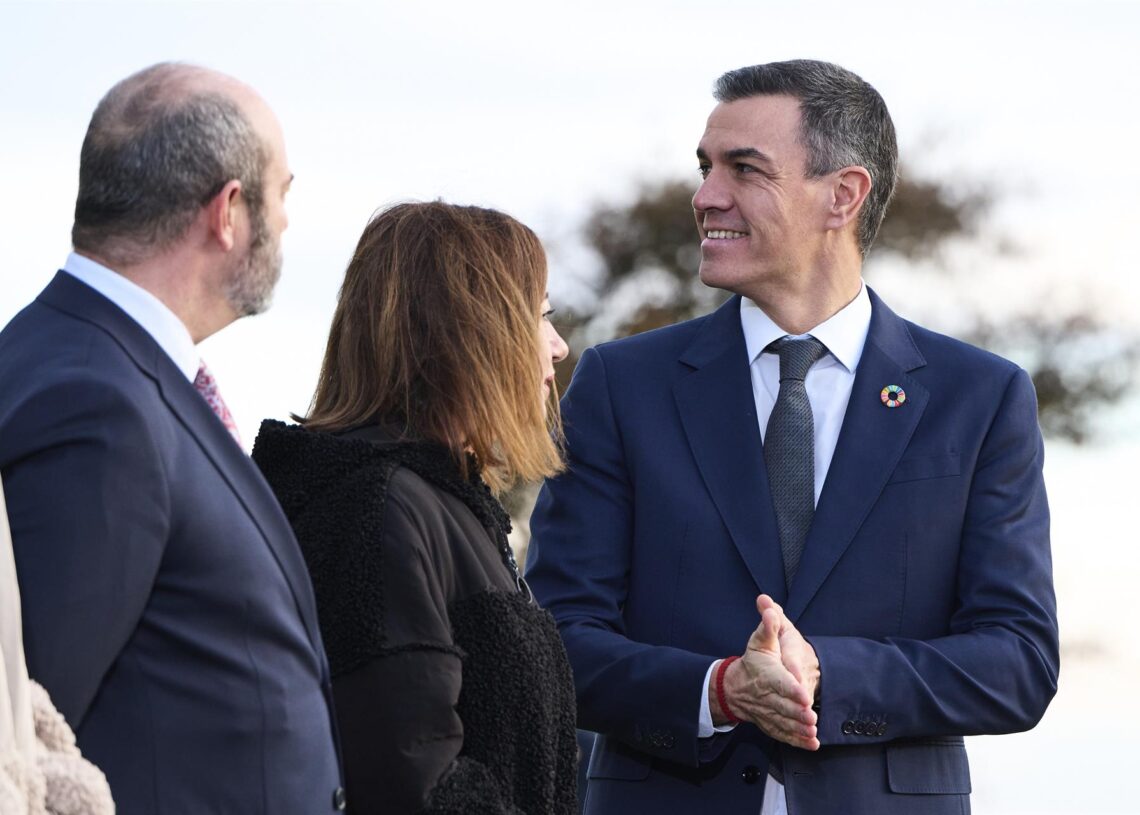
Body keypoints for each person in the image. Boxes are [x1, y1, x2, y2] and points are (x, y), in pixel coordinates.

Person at [525, 59, 1058, 814]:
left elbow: (1019, 661)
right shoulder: (622, 384)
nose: (706, 195)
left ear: (842, 195)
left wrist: (828, 676)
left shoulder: (981, 396)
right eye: (706, 167)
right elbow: (553, 641)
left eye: (744, 169)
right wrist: (719, 690)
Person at [0, 63, 344, 813]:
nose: (286, 220)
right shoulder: (92, 399)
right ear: (227, 211)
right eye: (283, 192)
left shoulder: (102, 366)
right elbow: (28, 741)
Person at [251, 201, 579, 815]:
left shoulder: (438, 501)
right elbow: (410, 779)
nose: (556, 348)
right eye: (539, 317)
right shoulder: (376, 507)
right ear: (470, 335)